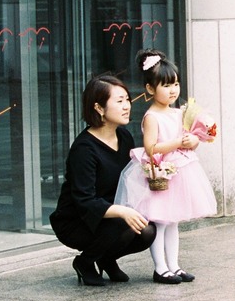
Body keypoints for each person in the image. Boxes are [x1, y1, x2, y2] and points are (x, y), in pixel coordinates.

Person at [115, 49, 216, 284]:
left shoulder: (179, 113)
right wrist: (177, 143)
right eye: (166, 85)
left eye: (176, 84)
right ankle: (160, 268)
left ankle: (175, 266)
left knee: (173, 223)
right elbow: (151, 147)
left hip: (179, 172)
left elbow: (189, 136)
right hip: (161, 173)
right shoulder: (152, 117)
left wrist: (194, 141)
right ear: (150, 89)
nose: (173, 90)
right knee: (160, 222)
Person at [49, 75, 156, 287]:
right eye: (119, 101)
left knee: (147, 231)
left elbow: (128, 179)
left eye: (127, 99)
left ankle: (106, 258)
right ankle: (85, 262)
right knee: (123, 223)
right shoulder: (84, 149)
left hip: (109, 216)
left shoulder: (124, 137)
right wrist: (123, 211)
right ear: (99, 108)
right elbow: (84, 201)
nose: (127, 106)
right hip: (76, 220)